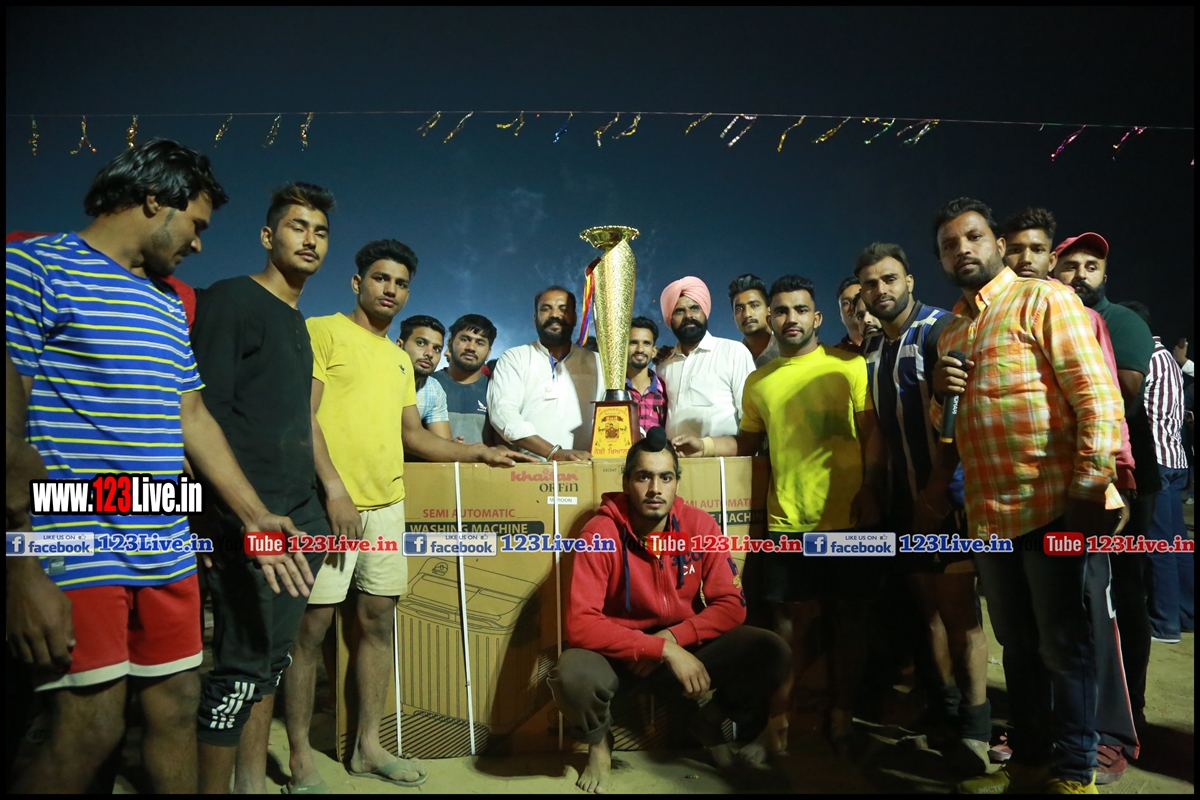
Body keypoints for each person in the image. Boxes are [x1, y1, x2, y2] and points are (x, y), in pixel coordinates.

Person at [6, 141, 306, 794]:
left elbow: (192, 417)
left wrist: (256, 517)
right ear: (153, 201)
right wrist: (20, 566)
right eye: (196, 224)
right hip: (73, 535)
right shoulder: (32, 268)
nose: (198, 243)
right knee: (88, 729)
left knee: (175, 707)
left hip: (163, 537)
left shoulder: (166, 303)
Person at [282, 239, 531, 792]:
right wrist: (334, 489)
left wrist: (479, 452)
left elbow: (413, 436)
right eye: (380, 279)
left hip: (386, 507)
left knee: (378, 623)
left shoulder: (399, 361)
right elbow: (304, 415)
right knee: (310, 629)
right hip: (328, 505)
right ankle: (299, 755)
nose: (390, 289)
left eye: (400, 283)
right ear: (357, 283)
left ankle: (368, 746)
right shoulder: (321, 331)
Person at [930, 198, 1123, 794]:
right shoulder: (952, 330)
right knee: (1016, 648)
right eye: (949, 245)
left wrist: (1090, 487)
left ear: (996, 244)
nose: (962, 249)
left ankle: (1076, 773)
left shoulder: (1045, 300)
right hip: (990, 517)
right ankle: (1031, 764)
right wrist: (938, 392)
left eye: (973, 237)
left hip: (1052, 508)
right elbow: (950, 427)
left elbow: (1097, 398)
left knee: (1065, 646)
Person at [674, 274, 881, 756]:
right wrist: (705, 445)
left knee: (849, 626)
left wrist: (871, 488)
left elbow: (872, 434)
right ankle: (778, 726)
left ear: (817, 317)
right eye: (782, 311)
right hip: (788, 521)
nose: (791, 319)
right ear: (771, 318)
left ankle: (842, 719)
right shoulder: (759, 381)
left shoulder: (849, 366)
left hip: (850, 521)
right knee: (788, 630)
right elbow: (748, 442)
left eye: (801, 310)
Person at [190, 182, 340, 793]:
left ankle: (251, 781)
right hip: (249, 520)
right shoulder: (232, 300)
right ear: (267, 235)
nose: (310, 239)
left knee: (271, 663)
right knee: (239, 667)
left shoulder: (295, 320)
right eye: (298, 226)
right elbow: (199, 416)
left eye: (320, 231)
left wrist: (323, 500)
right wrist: (215, 519)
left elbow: (296, 419)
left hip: (299, 519)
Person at [549, 428, 790, 793]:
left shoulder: (699, 525)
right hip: (620, 658)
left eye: (665, 477)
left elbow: (732, 605)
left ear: (677, 482)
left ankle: (707, 723)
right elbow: (581, 624)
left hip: (685, 650)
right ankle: (599, 745)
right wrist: (658, 648)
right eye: (643, 477)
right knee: (572, 674)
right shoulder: (600, 532)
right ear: (626, 482)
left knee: (771, 650)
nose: (654, 488)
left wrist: (673, 639)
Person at [999, 208, 1140, 782]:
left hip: (1077, 497)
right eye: (1017, 249)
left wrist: (1115, 479)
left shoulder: (1084, 317)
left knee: (1087, 626)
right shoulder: (984, 319)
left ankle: (1105, 740)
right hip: (1015, 505)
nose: (1026, 260)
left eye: (1037, 250)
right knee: (1034, 632)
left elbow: (1105, 402)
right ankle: (1040, 737)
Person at [855, 243, 990, 771]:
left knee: (959, 614)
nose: (880, 290)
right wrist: (873, 486)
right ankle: (946, 716)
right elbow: (879, 429)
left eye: (890, 279)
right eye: (870, 283)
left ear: (910, 281)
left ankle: (976, 730)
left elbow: (957, 418)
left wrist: (937, 491)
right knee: (927, 612)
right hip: (906, 503)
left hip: (946, 500)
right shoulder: (875, 347)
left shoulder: (939, 330)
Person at [1053, 232, 1158, 735]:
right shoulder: (1050, 319)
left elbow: (1123, 395)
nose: (1080, 275)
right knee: (1070, 598)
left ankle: (1128, 712)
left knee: (1122, 596)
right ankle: (1075, 710)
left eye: (1091, 266)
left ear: (1105, 276)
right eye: (1070, 265)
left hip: (1123, 478)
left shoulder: (1121, 321)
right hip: (1067, 477)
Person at [1119, 302, 1192, 644]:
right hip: (1176, 459)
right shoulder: (1170, 360)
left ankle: (1164, 623)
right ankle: (1186, 614)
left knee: (1158, 545)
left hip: (1157, 460)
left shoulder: (1144, 356)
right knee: (1178, 543)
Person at [488, 286, 602, 460]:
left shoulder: (597, 362)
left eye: (563, 309)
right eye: (546, 308)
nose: (555, 314)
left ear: (574, 318)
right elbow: (503, 413)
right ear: (535, 319)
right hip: (531, 468)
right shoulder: (515, 358)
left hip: (587, 467)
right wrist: (553, 453)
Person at [658, 277, 755, 441]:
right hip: (673, 456)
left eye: (694, 308)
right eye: (679, 311)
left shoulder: (733, 352)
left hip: (724, 456)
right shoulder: (663, 364)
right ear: (670, 319)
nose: (688, 316)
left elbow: (751, 417)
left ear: (705, 312)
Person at [432, 314, 497, 444]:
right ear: (450, 342)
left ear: (488, 353)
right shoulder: (428, 385)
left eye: (480, 343)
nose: (471, 348)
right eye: (465, 339)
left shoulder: (495, 391)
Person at [397, 314, 451, 440]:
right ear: (399, 346)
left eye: (437, 349)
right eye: (421, 343)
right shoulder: (376, 377)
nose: (430, 354)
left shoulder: (434, 389)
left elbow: (442, 441)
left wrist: (454, 446)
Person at [626, 316, 668, 435]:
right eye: (633, 342)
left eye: (646, 343)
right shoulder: (615, 389)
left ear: (654, 351)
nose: (640, 349)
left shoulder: (664, 392)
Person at [728, 273, 779, 367]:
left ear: (769, 310)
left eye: (754, 305)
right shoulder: (732, 357)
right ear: (733, 318)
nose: (747, 314)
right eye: (739, 309)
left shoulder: (787, 348)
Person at [832, 276, 864, 354]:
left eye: (857, 299)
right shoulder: (833, 355)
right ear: (840, 315)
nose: (852, 307)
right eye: (846, 303)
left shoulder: (888, 346)